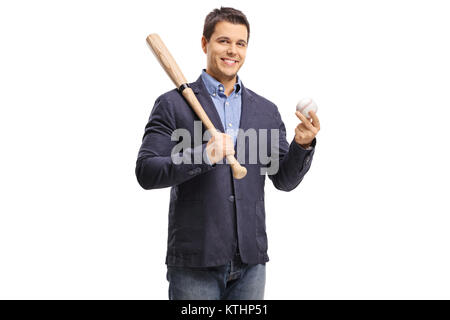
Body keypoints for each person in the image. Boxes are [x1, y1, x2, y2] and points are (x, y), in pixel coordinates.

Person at [135, 7, 320, 300]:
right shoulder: (171, 105)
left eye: (240, 43)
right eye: (223, 41)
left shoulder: (266, 111)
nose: (232, 50)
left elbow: (284, 179)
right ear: (205, 43)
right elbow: (146, 171)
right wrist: (204, 155)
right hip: (195, 263)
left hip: (251, 263)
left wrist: (302, 145)